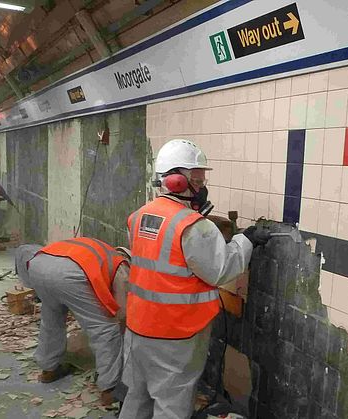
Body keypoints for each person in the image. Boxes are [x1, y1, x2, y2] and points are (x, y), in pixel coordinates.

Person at [119, 139, 270, 419]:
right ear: (176, 182)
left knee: (137, 396)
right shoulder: (192, 226)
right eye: (197, 181)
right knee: (171, 404)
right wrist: (245, 241)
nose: (201, 187)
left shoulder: (139, 216)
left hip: (139, 326)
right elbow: (221, 269)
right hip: (175, 333)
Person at [14, 239, 131, 405]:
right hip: (69, 275)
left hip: (38, 266)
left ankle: (49, 369)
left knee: (51, 319)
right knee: (105, 331)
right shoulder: (122, 265)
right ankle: (109, 389)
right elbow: (121, 312)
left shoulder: (98, 248)